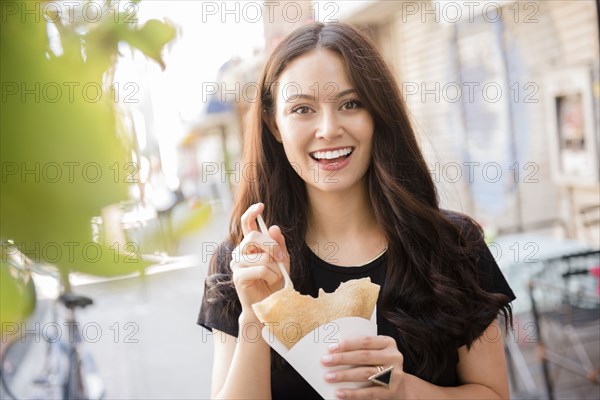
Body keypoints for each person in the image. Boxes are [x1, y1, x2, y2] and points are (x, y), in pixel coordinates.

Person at [198, 21, 515, 400]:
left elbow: (494, 394)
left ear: (378, 114)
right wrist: (256, 316)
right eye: (302, 109)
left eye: (350, 104)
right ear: (274, 124)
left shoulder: (453, 245)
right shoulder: (243, 263)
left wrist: (404, 390)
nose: (329, 129)